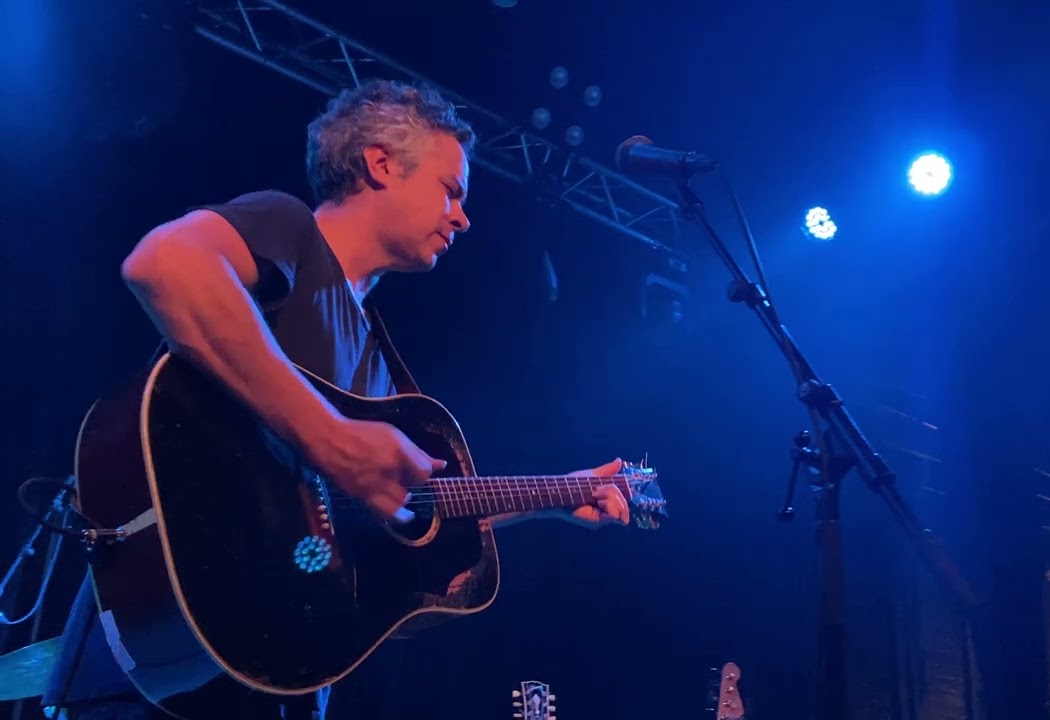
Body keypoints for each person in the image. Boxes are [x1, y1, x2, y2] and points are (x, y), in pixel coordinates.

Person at [42, 79, 632, 720]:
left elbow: (412, 508)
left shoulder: (382, 367)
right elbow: (161, 263)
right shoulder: (289, 227)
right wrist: (329, 436)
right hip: (168, 612)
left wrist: (554, 496)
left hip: (277, 659)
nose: (463, 216)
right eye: (451, 189)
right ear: (381, 164)